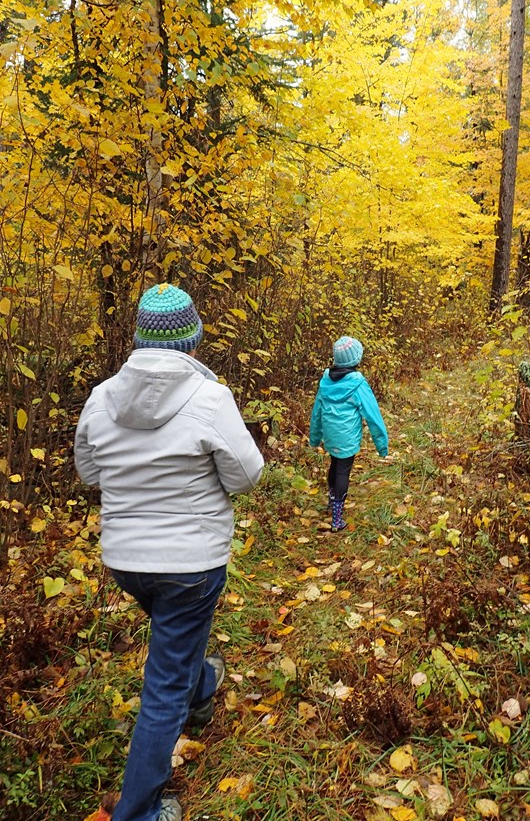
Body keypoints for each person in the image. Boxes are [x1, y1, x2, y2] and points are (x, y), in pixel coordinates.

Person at [74, 283, 264, 821]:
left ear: (138, 339)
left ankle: (201, 687)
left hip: (126, 561)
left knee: (175, 642)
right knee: (163, 687)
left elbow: (90, 472)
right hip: (191, 563)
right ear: (193, 339)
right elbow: (247, 475)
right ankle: (139, 811)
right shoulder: (210, 398)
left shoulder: (101, 396)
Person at [309, 336, 388, 531]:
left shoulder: (326, 380)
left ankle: (331, 500)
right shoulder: (358, 384)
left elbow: (317, 411)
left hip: (330, 435)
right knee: (343, 469)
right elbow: (372, 414)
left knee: (334, 463)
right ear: (355, 359)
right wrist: (382, 444)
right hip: (347, 437)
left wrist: (315, 436)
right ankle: (337, 519)